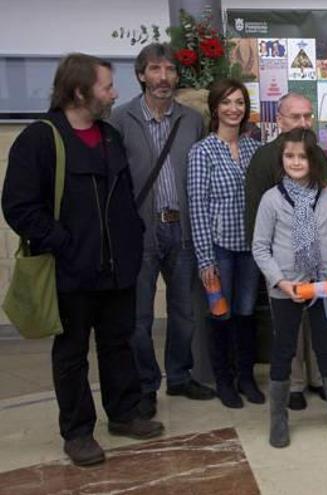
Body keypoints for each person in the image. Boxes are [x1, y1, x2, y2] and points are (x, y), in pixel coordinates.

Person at [2, 53, 164, 466]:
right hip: (69, 270)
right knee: (72, 354)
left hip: (117, 268)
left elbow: (123, 197)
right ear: (79, 92)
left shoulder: (109, 136)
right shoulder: (39, 139)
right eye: (107, 87)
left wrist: (132, 238)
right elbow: (19, 207)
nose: (114, 94)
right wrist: (62, 242)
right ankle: (77, 433)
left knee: (119, 343)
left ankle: (124, 413)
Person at [109, 43, 213, 419]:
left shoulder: (191, 120)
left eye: (169, 69)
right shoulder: (120, 120)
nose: (163, 77)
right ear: (141, 75)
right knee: (139, 318)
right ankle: (146, 383)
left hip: (182, 229)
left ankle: (180, 376)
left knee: (184, 312)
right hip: (141, 232)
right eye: (155, 69)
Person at [252, 129, 327, 448]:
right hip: (285, 287)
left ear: (314, 160)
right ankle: (278, 419)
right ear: (281, 159)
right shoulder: (271, 199)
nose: (296, 162)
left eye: (302, 156)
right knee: (283, 350)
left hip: (322, 284)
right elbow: (260, 248)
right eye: (289, 156)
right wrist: (281, 282)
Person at [245, 91, 327, 411]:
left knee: (319, 321)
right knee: (288, 327)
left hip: (316, 256)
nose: (303, 122)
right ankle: (294, 384)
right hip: (281, 259)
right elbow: (255, 213)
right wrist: (269, 267)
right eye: (296, 117)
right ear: (279, 120)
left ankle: (319, 378)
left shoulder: (318, 154)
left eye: (308, 116)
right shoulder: (265, 157)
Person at [188, 79, 264, 409]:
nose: (234, 109)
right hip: (218, 248)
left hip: (250, 248)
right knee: (221, 314)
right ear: (215, 108)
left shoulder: (253, 149)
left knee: (246, 313)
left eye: (239, 102)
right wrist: (205, 259)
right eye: (226, 102)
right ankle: (224, 380)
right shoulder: (202, 151)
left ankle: (246, 377)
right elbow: (197, 207)